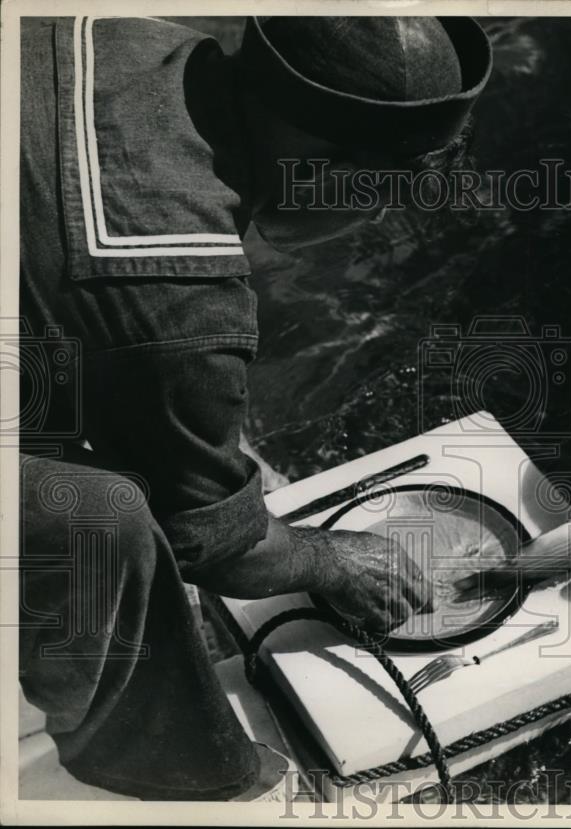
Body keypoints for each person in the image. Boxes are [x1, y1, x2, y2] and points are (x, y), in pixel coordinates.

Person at [18, 15, 492, 800]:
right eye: (390, 185)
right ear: (324, 164)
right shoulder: (180, 294)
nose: (384, 210)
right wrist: (324, 556)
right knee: (102, 521)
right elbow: (219, 552)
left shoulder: (127, 34)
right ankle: (162, 765)